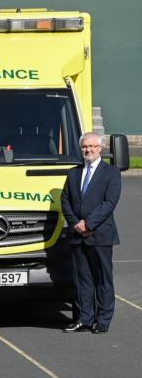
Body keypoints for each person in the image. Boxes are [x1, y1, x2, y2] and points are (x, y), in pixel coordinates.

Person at [61, 132, 121, 334]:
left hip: (100, 235)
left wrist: (89, 224)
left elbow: (109, 203)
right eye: (85, 147)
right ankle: (84, 319)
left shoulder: (111, 173)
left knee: (103, 280)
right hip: (78, 235)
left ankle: (102, 321)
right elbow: (65, 200)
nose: (88, 150)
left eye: (92, 146)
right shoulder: (73, 173)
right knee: (83, 280)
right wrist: (76, 224)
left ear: (100, 148)